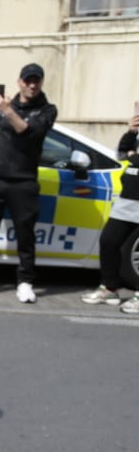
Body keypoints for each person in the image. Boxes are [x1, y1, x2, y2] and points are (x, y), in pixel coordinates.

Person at [0, 63, 57, 303]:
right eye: (28, 80)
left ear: (40, 83)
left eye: (36, 80)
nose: (32, 85)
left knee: (25, 235)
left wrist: (7, 110)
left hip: (24, 182)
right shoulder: (2, 108)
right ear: (19, 81)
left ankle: (25, 282)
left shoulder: (47, 110)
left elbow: (29, 133)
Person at [81, 112, 139, 313]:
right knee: (108, 241)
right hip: (127, 201)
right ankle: (110, 288)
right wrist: (131, 132)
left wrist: (135, 156)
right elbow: (122, 154)